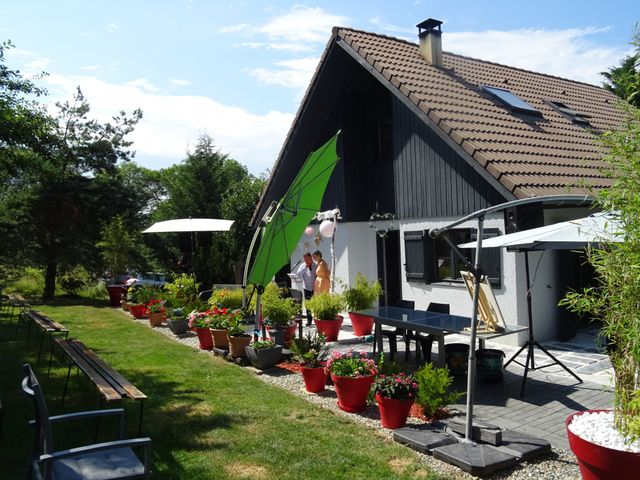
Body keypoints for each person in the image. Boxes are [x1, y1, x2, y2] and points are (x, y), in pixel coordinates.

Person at [295, 252, 316, 326]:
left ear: (311, 258)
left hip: (315, 288)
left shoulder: (315, 265)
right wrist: (304, 268)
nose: (306, 261)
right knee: (308, 305)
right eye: (305, 259)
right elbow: (298, 275)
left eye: (307, 259)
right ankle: (309, 320)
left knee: (316, 304)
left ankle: (317, 319)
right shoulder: (302, 266)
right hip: (307, 288)